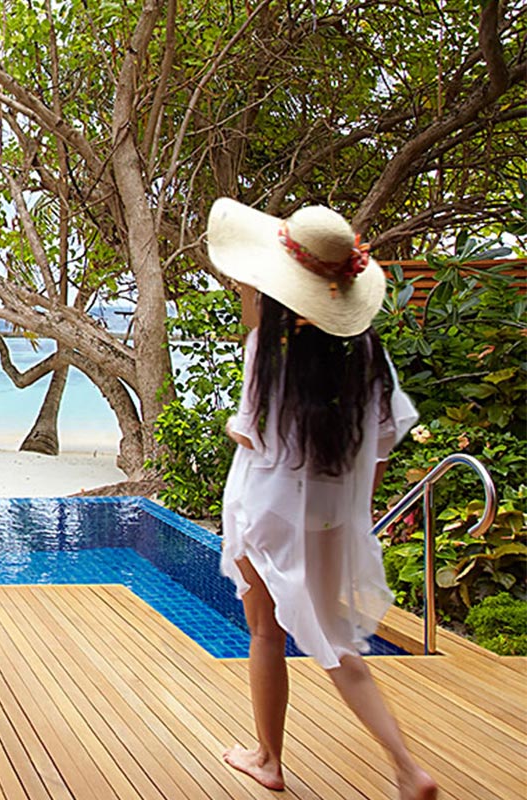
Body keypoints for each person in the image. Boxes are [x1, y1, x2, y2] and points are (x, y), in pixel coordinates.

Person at [206, 198, 438, 800]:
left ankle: (269, 759)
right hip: (329, 519)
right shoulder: (367, 359)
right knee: (336, 643)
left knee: (265, 633)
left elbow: (252, 431)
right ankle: (405, 766)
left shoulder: (270, 351)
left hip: (265, 513)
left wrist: (239, 427)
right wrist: (354, 509)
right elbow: (382, 445)